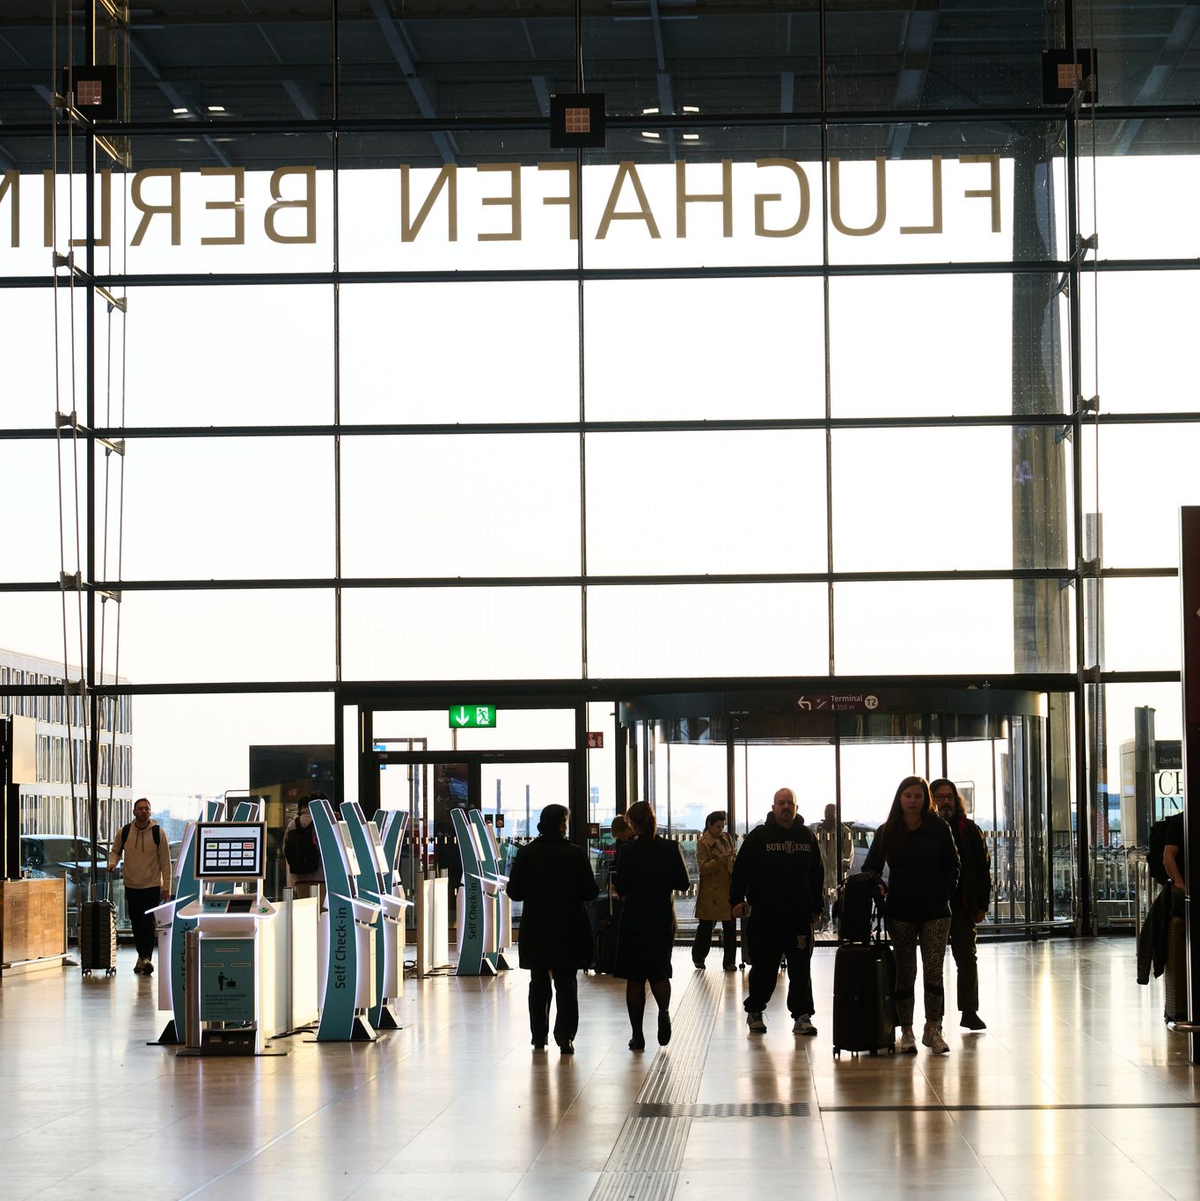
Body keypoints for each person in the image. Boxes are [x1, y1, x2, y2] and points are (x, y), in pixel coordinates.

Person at [863, 776, 960, 1055]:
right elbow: (871, 867)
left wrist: (945, 892)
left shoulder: (938, 828)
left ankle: (933, 1027)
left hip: (935, 910)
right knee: (905, 972)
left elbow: (953, 865)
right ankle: (906, 1030)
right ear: (900, 798)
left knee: (933, 969)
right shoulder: (887, 830)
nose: (913, 801)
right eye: (908, 795)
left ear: (925, 799)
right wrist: (878, 887)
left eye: (918, 796)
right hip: (901, 909)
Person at [505, 804, 599, 1054]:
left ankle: (539, 1036)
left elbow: (514, 892)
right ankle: (565, 1037)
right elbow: (590, 891)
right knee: (566, 982)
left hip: (536, 927)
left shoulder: (527, 853)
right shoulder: (575, 853)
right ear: (561, 824)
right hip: (568, 927)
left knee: (538, 981)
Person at [730, 787, 824, 1036]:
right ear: (773, 807)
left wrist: (817, 906)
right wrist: (736, 899)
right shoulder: (759, 836)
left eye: (789, 803)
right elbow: (741, 870)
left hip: (799, 916)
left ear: (796, 808)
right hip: (766, 916)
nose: (785, 807)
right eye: (781, 803)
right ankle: (755, 1011)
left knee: (800, 969)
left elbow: (817, 873)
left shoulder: (807, 837)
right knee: (764, 968)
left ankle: (802, 1016)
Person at [613, 800, 690, 1050]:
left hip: (634, 918)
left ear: (633, 824)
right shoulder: (670, 848)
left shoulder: (627, 851)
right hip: (661, 917)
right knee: (659, 972)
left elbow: (622, 886)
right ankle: (664, 1011)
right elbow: (683, 883)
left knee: (635, 978)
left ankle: (637, 1035)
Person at [931, 778, 991, 1031]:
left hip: (963, 906)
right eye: (940, 797)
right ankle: (936, 1017)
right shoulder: (926, 830)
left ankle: (969, 1011)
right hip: (933, 906)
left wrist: (982, 905)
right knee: (933, 963)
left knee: (966, 959)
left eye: (949, 797)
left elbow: (983, 869)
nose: (945, 802)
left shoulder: (970, 830)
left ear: (956, 801)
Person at [107, 797, 172, 975]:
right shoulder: (125, 832)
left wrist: (166, 887)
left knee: (147, 923)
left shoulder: (158, 833)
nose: (144, 811)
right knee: (135, 922)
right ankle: (141, 957)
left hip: (152, 885)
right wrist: (112, 863)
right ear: (134, 812)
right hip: (131, 884)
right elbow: (115, 851)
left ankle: (146, 957)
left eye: (147, 808)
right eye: (140, 808)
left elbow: (165, 862)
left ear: (150, 812)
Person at [691, 810, 737, 971]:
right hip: (711, 892)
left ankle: (729, 962)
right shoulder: (703, 843)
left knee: (730, 928)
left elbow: (733, 858)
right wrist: (721, 859)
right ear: (709, 825)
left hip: (728, 888)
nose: (720, 830)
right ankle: (698, 957)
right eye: (718, 826)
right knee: (705, 928)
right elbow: (703, 868)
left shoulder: (726, 838)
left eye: (722, 826)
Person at [813, 803, 853, 930]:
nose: (828, 814)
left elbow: (849, 850)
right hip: (823, 869)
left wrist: (845, 864)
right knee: (824, 895)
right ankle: (825, 921)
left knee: (838, 897)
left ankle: (837, 923)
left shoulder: (844, 831)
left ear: (836, 813)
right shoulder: (819, 830)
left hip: (837, 870)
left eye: (831, 812)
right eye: (826, 812)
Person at [283, 796, 325, 898]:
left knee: (304, 906)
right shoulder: (321, 822)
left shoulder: (292, 824)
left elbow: (285, 849)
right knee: (320, 907)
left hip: (300, 878)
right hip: (320, 876)